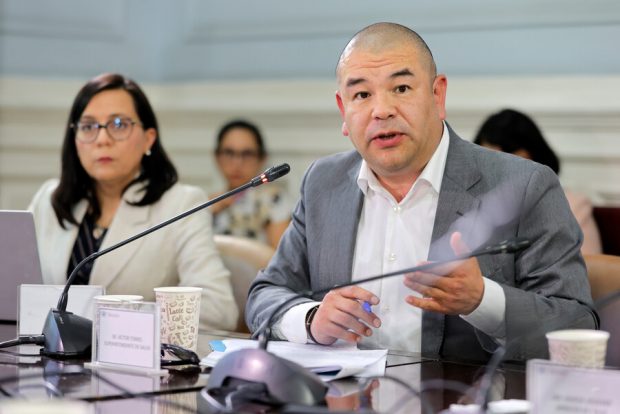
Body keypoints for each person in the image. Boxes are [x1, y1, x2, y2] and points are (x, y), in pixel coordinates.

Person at [245, 23, 597, 362]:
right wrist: (311, 319)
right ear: (343, 110)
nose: (382, 110)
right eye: (362, 94)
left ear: (437, 94)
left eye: (401, 89)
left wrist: (482, 300)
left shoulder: (524, 185)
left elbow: (578, 323)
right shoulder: (324, 182)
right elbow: (264, 295)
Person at [28, 73, 238, 331]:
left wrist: (122, 323)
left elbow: (219, 309)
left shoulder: (182, 205)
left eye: (118, 124)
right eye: (88, 126)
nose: (102, 139)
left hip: (128, 366)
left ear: (148, 139)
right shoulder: (48, 200)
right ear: (75, 140)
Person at [474, 108, 602, 254]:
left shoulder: (572, 206)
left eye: (509, 160)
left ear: (535, 157)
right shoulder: (474, 206)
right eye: (488, 162)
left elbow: (584, 272)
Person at [210, 119, 293, 249]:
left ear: (262, 158)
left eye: (247, 154)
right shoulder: (208, 204)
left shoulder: (273, 200)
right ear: (217, 157)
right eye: (229, 153)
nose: (237, 163)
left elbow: (281, 260)